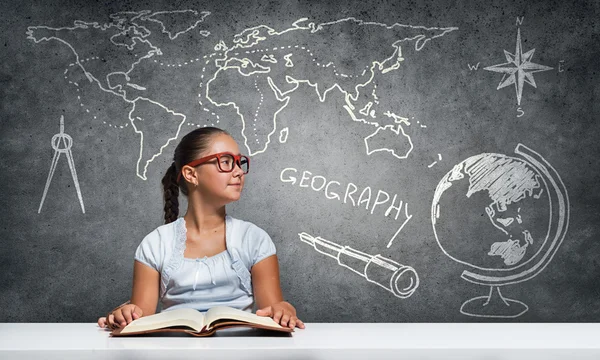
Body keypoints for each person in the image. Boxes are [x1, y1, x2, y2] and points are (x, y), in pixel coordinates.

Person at [97, 127, 305, 330]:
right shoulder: (156, 243)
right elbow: (141, 317)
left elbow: (272, 310)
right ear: (191, 174)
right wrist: (124, 315)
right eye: (226, 162)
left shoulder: (254, 239)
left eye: (239, 162)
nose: (239, 172)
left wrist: (283, 310)